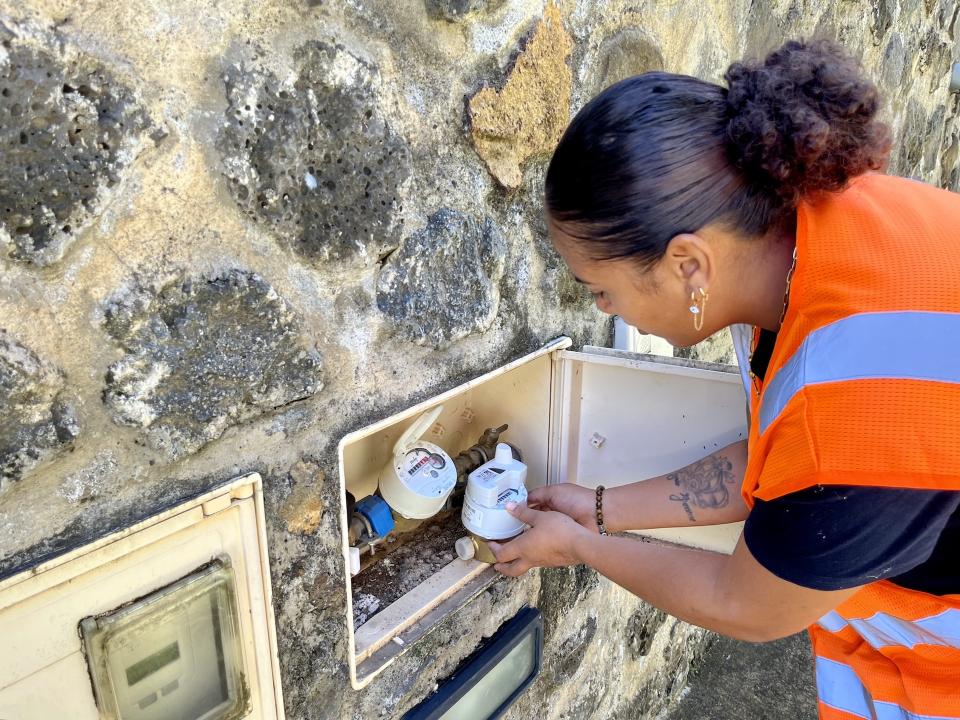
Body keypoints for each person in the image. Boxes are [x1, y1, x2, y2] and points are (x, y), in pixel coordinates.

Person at [487, 39, 960, 719]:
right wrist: (599, 506)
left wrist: (585, 548)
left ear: (688, 265)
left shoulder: (858, 416)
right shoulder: (818, 231)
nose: (602, 309)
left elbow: (749, 606)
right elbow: (782, 467)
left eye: (599, 288)